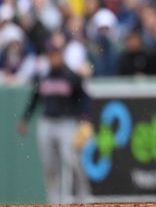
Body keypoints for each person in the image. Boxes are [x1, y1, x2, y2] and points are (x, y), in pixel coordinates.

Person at [17, 37, 93, 204]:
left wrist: (85, 119)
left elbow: (84, 98)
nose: (54, 57)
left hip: (67, 123)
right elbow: (34, 99)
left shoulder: (72, 76)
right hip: (47, 123)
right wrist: (25, 118)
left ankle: (80, 199)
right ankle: (53, 201)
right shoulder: (43, 77)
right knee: (50, 166)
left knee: (71, 163)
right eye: (51, 54)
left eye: (56, 53)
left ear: (61, 54)